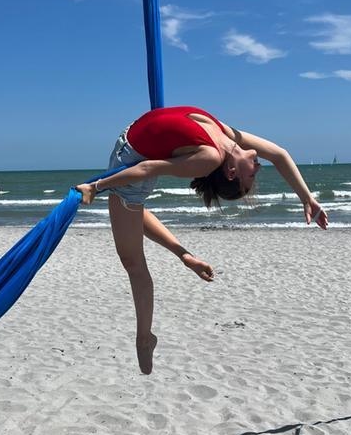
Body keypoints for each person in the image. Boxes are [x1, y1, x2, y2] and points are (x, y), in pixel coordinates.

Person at [74, 106, 328, 375]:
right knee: (133, 214)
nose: (258, 168)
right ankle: (185, 256)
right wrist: (307, 198)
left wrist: (96, 187)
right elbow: (279, 154)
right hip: (134, 144)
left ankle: (144, 338)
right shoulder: (227, 134)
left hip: (133, 160)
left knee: (133, 264)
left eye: (251, 175)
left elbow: (147, 168)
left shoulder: (210, 157)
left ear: (231, 172)